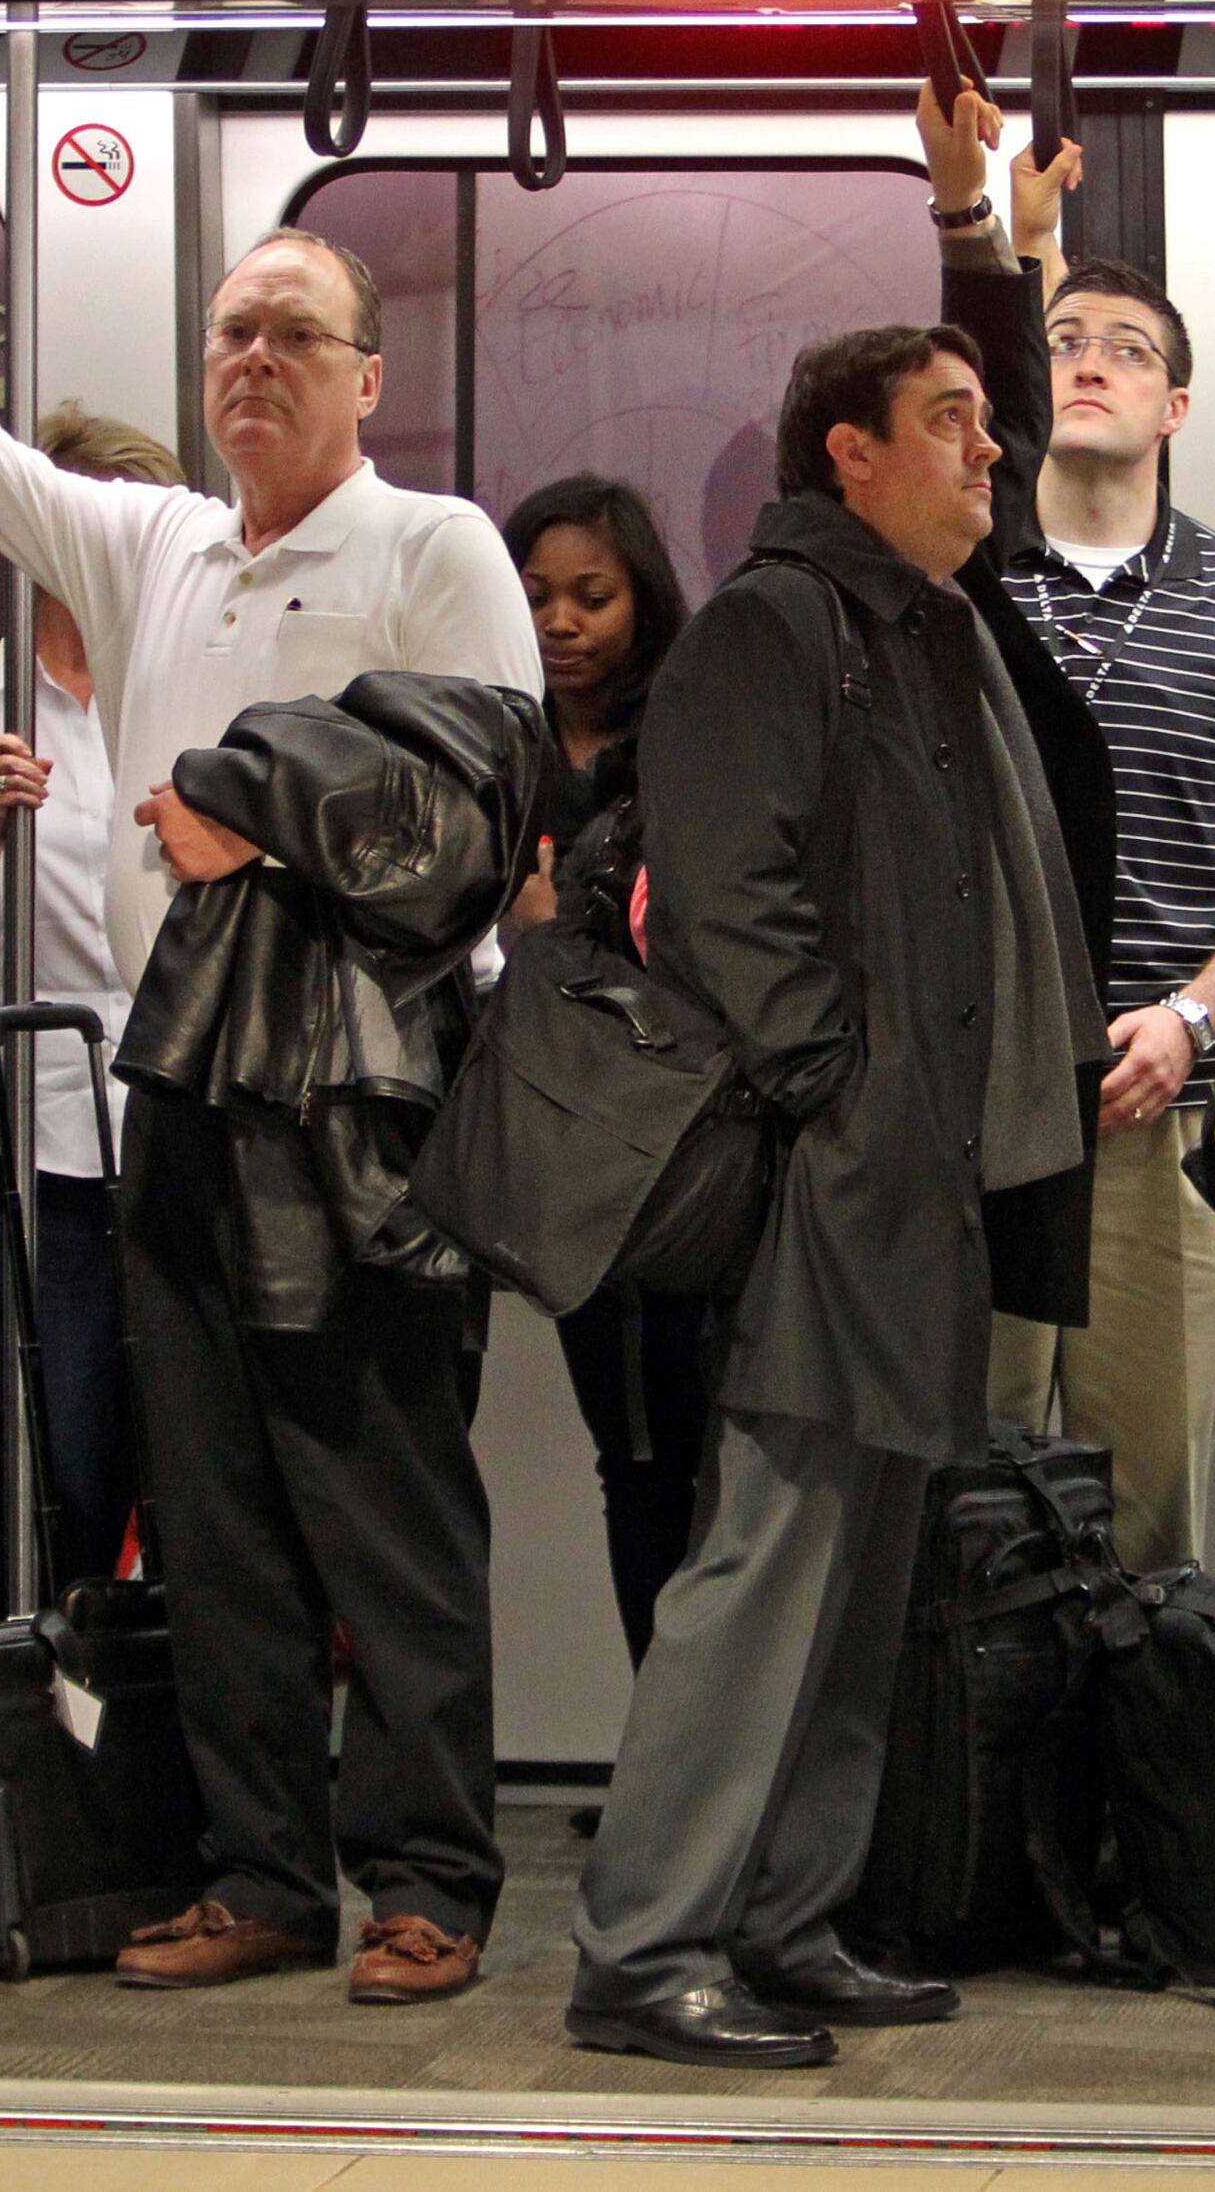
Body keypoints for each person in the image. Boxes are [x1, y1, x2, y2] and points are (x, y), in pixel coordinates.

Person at [0, 149, 545, 2009]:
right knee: (212, 1518)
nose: (259, 359)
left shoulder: (433, 548)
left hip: (366, 1113)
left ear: (371, 378)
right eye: (233, 333)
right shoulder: (151, 547)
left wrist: (254, 820)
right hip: (176, 1092)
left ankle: (430, 1873)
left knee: (389, 1510)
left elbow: (495, 815)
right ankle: (264, 1868)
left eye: (299, 333)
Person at [564, 314, 1102, 2071]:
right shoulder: (774, 626)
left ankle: (790, 1919)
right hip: (838, 1172)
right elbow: (733, 894)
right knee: (771, 1558)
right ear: (847, 456)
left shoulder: (927, 629)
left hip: (920, 1173)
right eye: (951, 422)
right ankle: (648, 1944)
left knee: (868, 1567)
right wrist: (842, 1094)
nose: (989, 451)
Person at [919, 92, 1215, 1577]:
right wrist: (986, 224)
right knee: (961, 1499)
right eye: (1070, 339)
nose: (1092, 362)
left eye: (1132, 352)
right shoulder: (956, 587)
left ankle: (1136, 1809)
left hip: (1166, 1115)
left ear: (1178, 409)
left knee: (1141, 1514)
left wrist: (1189, 1013)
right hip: (972, 1109)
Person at [0, 405, 185, 1590]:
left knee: (199, 1461)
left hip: (190, 1114)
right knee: (65, 1461)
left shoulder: (188, 685)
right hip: (46, 1135)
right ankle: (67, 1719)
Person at [498, 471, 711, 1671]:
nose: (561, 623)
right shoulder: (496, 739)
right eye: (534, 596)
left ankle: (707, 1775)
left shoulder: (685, 734)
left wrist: (554, 925)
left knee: (705, 1455)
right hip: (554, 1155)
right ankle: (660, 1772)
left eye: (593, 595)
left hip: (682, 1141)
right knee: (629, 1461)